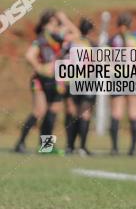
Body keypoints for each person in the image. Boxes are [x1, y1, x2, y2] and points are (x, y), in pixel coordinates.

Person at [15, 10, 78, 153]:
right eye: (53, 23)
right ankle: (25, 144)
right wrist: (40, 68)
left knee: (48, 111)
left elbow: (76, 35)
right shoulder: (45, 38)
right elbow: (29, 55)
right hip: (43, 79)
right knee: (43, 111)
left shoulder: (52, 37)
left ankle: (43, 146)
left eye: (57, 23)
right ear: (45, 24)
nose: (56, 26)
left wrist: (64, 19)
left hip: (51, 79)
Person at [109, 13, 136, 155]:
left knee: (116, 112)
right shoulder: (135, 39)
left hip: (117, 76)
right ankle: (132, 149)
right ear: (130, 25)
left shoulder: (113, 40)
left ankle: (115, 148)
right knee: (134, 113)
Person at [64, 18, 98, 155]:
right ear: (90, 31)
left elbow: (63, 57)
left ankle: (69, 146)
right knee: (84, 114)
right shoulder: (92, 44)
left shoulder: (72, 43)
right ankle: (82, 147)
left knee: (72, 113)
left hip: (71, 80)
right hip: (87, 80)